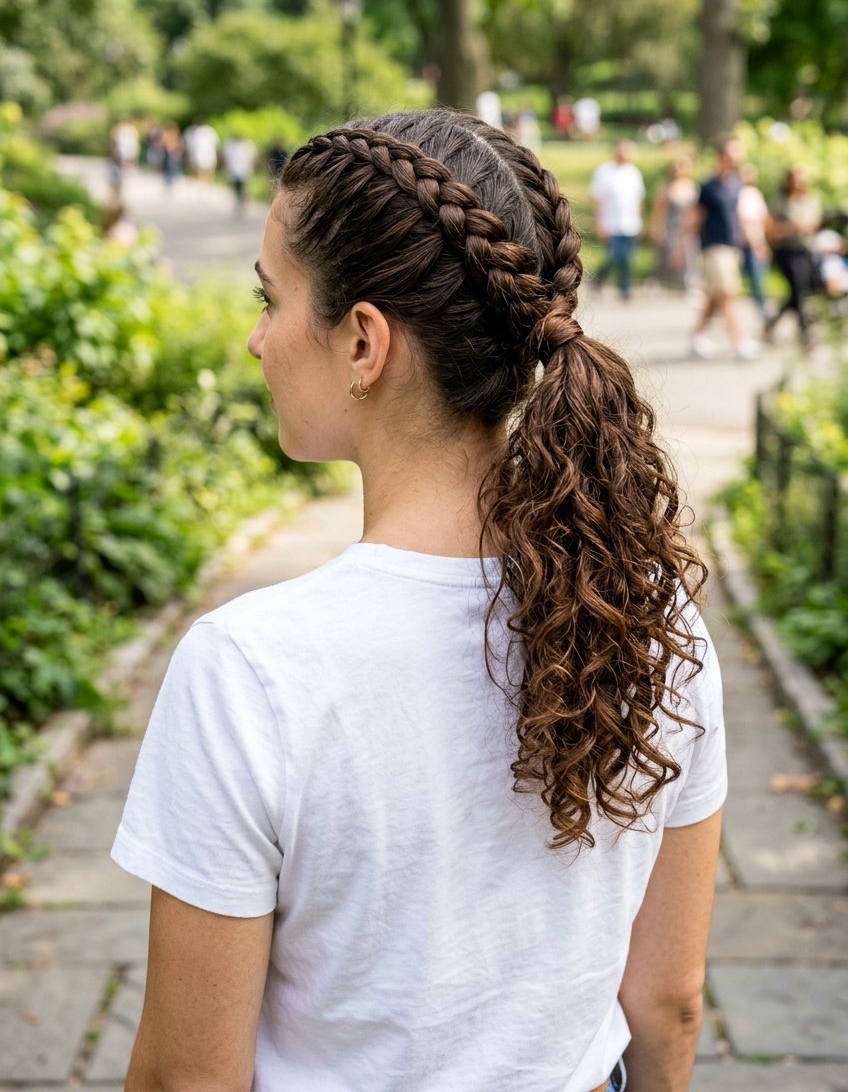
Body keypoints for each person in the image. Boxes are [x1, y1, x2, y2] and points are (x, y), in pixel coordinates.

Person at [112, 109, 726, 1092]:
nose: (254, 339)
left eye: (269, 300)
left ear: (363, 341)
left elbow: (191, 1077)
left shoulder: (251, 670)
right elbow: (668, 1001)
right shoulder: (653, 615)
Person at [689, 139, 759, 360]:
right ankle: (739, 340)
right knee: (728, 293)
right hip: (714, 246)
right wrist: (688, 248)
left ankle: (696, 335)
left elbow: (739, 216)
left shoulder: (737, 185)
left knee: (715, 294)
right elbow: (696, 218)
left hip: (733, 246)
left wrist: (751, 241)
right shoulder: (708, 187)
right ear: (721, 158)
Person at [764, 166, 822, 350]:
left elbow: (816, 224)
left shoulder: (811, 200)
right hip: (787, 252)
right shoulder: (780, 202)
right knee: (798, 288)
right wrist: (792, 228)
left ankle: (771, 323)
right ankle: (806, 335)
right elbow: (771, 231)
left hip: (806, 250)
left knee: (802, 290)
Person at [589, 140, 645, 301]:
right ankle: (603, 281)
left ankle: (623, 288)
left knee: (627, 258)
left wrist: (639, 221)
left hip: (630, 222)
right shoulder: (604, 171)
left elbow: (638, 199)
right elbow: (597, 199)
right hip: (611, 222)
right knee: (616, 255)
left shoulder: (633, 172)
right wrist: (599, 222)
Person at [650, 155, 698, 290]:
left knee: (689, 255)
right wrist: (657, 228)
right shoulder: (667, 189)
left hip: (687, 228)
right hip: (671, 227)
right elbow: (660, 211)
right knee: (666, 256)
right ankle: (657, 280)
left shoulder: (692, 187)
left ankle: (687, 283)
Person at [737, 164, 770, 320]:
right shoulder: (737, 193)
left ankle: (762, 310)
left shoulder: (755, 194)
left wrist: (762, 242)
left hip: (757, 242)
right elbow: (742, 221)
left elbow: (763, 219)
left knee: (758, 279)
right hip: (743, 243)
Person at [223, 132, 258, 213]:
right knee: (237, 188)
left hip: (244, 170)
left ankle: (243, 201)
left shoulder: (247, 145)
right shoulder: (231, 146)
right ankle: (239, 201)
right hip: (235, 170)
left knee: (243, 188)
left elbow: (252, 158)